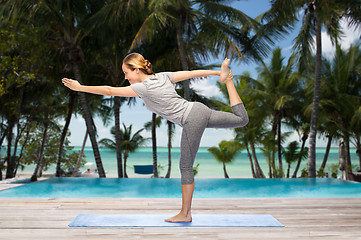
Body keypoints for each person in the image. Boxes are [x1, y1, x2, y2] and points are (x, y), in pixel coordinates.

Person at [62, 53, 249, 223]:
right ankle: (229, 81)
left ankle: (185, 214)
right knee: (241, 120)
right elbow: (191, 73)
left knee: (185, 166)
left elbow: (110, 91)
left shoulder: (142, 88)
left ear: (136, 69)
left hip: (191, 117)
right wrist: (218, 74)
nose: (125, 77)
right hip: (199, 110)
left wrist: (81, 87)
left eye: (126, 73)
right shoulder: (162, 76)